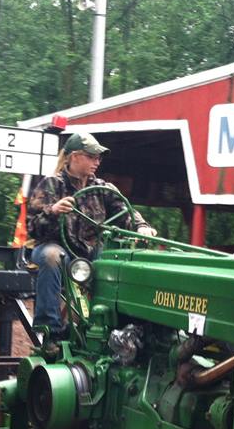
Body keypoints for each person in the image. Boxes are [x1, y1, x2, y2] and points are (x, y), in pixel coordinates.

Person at [27, 133, 156, 339]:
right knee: (52, 257)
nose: (97, 162)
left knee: (120, 261)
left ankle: (122, 328)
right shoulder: (51, 184)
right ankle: (50, 330)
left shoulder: (103, 189)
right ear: (74, 157)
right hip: (56, 247)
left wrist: (141, 227)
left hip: (91, 251)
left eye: (99, 158)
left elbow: (125, 212)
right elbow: (32, 228)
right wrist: (54, 211)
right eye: (92, 157)